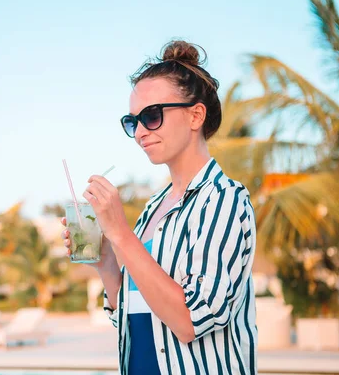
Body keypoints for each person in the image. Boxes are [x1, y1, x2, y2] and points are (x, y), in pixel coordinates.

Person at [62, 40, 258, 374]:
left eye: (151, 116)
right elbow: (134, 312)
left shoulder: (225, 199)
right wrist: (106, 262)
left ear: (196, 115)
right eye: (131, 121)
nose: (139, 132)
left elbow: (189, 322)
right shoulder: (154, 206)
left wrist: (122, 234)